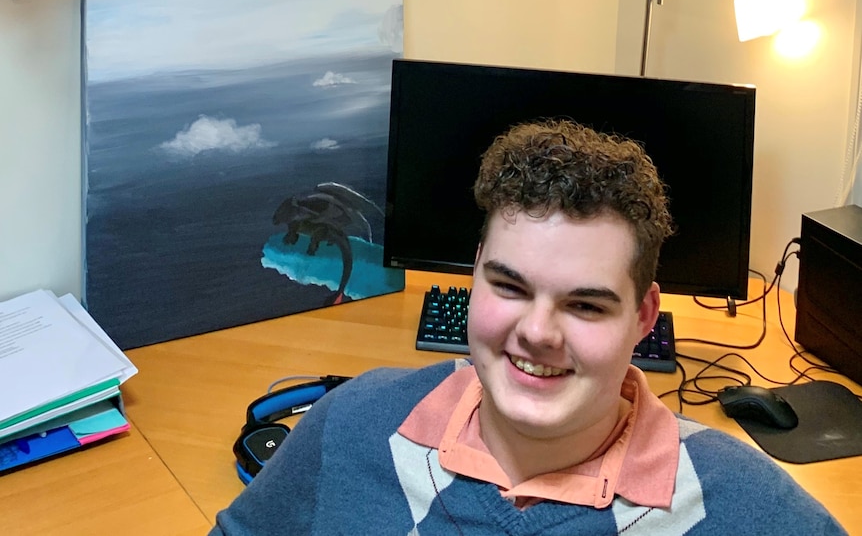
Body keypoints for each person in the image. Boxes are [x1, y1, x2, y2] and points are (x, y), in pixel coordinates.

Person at [210, 118, 848, 535]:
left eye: (586, 305)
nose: (537, 332)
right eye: (510, 287)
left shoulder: (748, 513)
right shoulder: (350, 426)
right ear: (476, 273)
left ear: (644, 317)